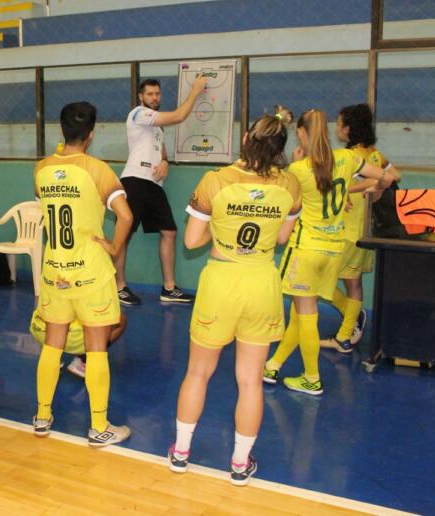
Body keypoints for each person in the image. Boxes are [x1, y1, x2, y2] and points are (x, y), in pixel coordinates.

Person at [169, 107, 301, 485]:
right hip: (261, 282)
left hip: (221, 281)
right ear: (279, 149)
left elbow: (192, 240)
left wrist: (220, 226)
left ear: (246, 139)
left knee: (198, 372)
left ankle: (181, 453)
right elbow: (281, 237)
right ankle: (240, 465)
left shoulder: (216, 180)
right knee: (251, 381)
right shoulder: (290, 185)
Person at [263, 109, 399, 395]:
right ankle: (273, 365)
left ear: (301, 133)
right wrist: (371, 191)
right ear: (326, 131)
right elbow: (388, 177)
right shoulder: (347, 158)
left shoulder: (298, 170)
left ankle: (311, 377)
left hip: (306, 248)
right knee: (301, 313)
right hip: (334, 249)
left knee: (305, 314)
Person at [32, 101, 134, 447]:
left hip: (54, 271)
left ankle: (42, 417)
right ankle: (99, 426)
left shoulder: (41, 169)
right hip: (90, 273)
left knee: (52, 346)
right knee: (96, 348)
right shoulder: (98, 170)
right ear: (91, 134)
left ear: (61, 131)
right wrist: (114, 247)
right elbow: (125, 216)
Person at [114, 76, 208, 305]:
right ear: (141, 96)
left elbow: (161, 152)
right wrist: (196, 90)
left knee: (169, 231)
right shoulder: (138, 113)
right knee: (123, 235)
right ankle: (118, 287)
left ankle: (169, 288)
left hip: (154, 184)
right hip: (134, 180)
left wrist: (165, 162)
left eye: (157, 94)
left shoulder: (157, 126)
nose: (154, 98)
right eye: (150, 94)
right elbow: (178, 116)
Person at [321, 104, 401, 353]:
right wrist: (374, 187)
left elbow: (381, 179)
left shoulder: (351, 156)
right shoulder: (375, 154)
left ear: (348, 129)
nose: (336, 128)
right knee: (352, 282)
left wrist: (348, 188)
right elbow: (393, 175)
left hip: (347, 231)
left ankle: (349, 323)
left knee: (318, 278)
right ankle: (348, 328)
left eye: (339, 123)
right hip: (364, 231)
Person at [29, 311, 127, 378]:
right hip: (69, 336)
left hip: (39, 329)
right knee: (120, 319)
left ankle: (51, 359)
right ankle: (83, 361)